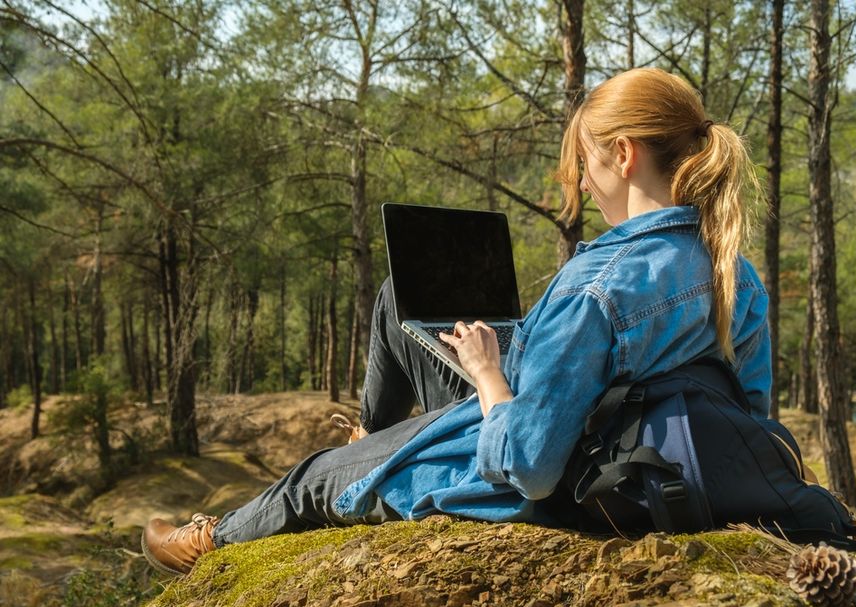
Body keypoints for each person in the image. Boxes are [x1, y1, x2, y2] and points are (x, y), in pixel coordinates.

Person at [141, 67, 771, 576]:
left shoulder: (596, 288)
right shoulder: (731, 271)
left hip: (562, 472)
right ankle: (375, 435)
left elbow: (529, 464)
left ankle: (213, 538)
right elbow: (749, 414)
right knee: (400, 296)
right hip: (642, 461)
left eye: (586, 161)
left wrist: (490, 376)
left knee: (311, 482)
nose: (583, 179)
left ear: (625, 155)